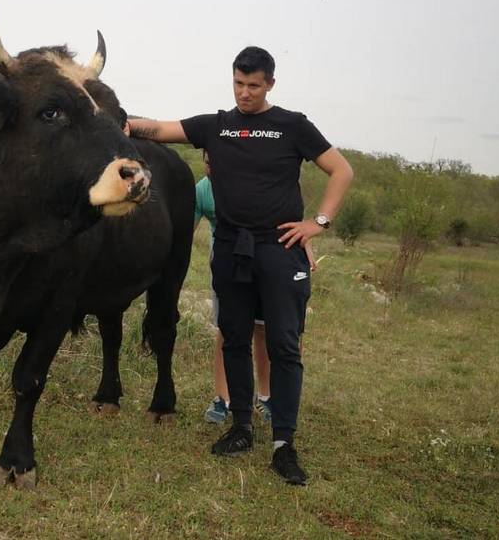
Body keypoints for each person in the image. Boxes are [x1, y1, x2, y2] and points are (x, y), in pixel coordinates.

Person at [129, 46, 353, 485]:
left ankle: (283, 444)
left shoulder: (293, 126)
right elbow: (159, 129)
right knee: (233, 337)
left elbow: (341, 170)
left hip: (279, 247)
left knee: (284, 345)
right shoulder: (218, 126)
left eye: (253, 85)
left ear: (270, 83)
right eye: (238, 83)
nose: (245, 93)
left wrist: (318, 223)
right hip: (232, 249)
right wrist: (117, 119)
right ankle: (241, 427)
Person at [196, 151, 318, 426]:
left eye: (218, 160)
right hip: (228, 264)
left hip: (267, 261)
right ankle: (222, 398)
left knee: (263, 330)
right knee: (228, 331)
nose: (212, 167)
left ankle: (265, 396)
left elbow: (286, 214)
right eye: (207, 162)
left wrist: (305, 241)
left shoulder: (250, 180)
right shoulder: (202, 190)